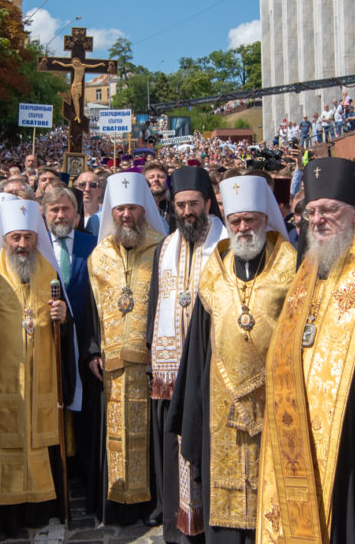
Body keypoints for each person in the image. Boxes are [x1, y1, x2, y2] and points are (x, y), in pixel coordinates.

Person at [256, 158, 355, 542]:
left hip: (350, 431)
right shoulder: (307, 268)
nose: (318, 220)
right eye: (311, 212)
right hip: (296, 421)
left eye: (329, 210)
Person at [167, 175, 297, 543]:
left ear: (266, 220)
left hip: (272, 400)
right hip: (219, 401)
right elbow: (197, 348)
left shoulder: (290, 266)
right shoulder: (215, 268)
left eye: (250, 220)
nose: (242, 228)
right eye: (236, 221)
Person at [0, 198, 74, 538]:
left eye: (28, 237)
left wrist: (63, 319)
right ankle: (7, 518)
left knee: (42, 442)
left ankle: (43, 511)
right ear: (3, 238)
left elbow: (64, 330)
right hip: (2, 390)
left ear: (36, 238)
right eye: (15, 237)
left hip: (42, 387)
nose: (22, 245)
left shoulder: (50, 275)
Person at [145, 167, 226, 542]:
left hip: (209, 369)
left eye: (194, 203)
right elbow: (155, 301)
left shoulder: (224, 243)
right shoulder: (166, 246)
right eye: (181, 204)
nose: (187, 210)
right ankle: (176, 529)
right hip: (170, 369)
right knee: (172, 444)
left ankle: (207, 525)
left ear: (207, 203)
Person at [82, 172, 168, 524]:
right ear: (111, 212)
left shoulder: (162, 248)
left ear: (143, 208)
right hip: (113, 367)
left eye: (132, 207)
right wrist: (91, 352)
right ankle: (117, 508)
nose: (126, 215)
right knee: (114, 436)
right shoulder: (98, 256)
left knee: (150, 437)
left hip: (150, 365)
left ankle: (153, 507)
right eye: (119, 209)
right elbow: (91, 309)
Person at [41, 185, 97, 491]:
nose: (60, 215)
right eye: (54, 210)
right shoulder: (36, 248)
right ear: (45, 214)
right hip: (52, 342)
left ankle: (85, 476)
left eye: (66, 209)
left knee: (86, 410)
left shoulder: (94, 245)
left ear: (76, 214)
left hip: (87, 340)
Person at [75, 170, 103, 236]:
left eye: (93, 185)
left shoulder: (106, 215)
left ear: (99, 191)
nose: (87, 189)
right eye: (82, 185)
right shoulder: (70, 216)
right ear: (76, 189)